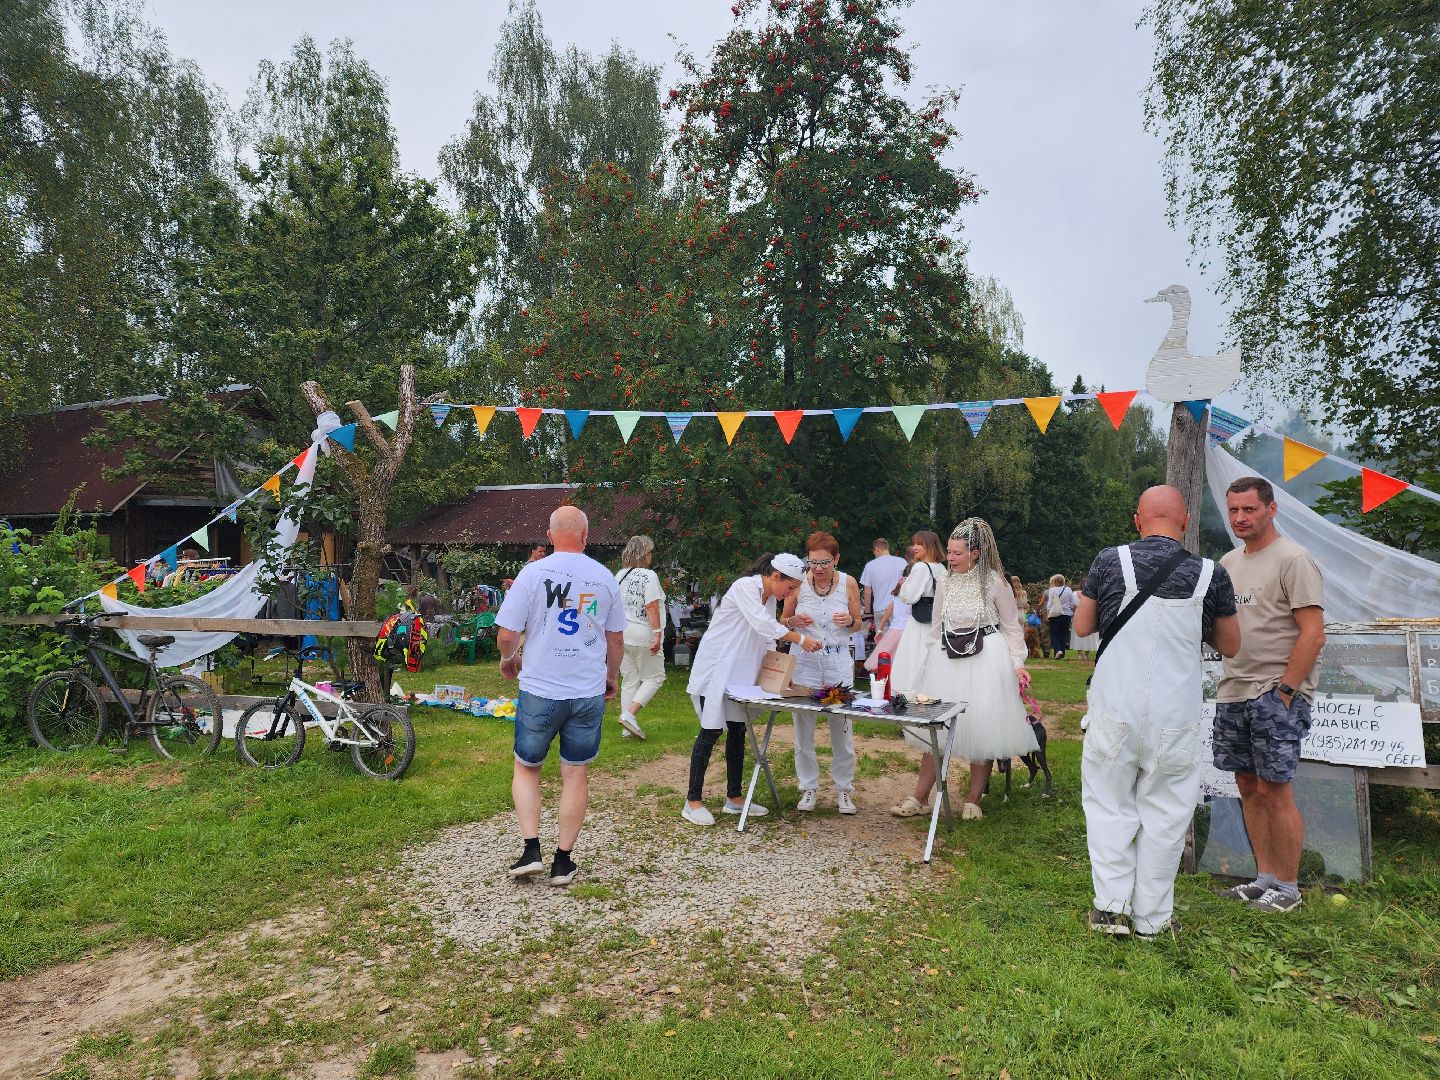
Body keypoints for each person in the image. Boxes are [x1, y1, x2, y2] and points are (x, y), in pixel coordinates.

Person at [1073, 486, 1240, 938]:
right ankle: (1153, 919)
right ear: (1185, 520)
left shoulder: (1109, 562)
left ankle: (1110, 910)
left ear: (1136, 520)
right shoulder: (1212, 574)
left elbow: (1083, 626)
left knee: (1108, 806)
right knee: (1166, 814)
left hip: (1115, 707)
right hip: (1176, 713)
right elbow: (1230, 645)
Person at [495, 506, 625, 887]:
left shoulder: (532, 574)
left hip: (540, 688)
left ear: (550, 536)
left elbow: (506, 633)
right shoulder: (604, 578)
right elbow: (615, 639)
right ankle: (563, 861)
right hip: (586, 690)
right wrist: (611, 677)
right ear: (586, 536)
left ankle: (530, 848)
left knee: (527, 766)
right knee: (575, 772)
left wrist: (508, 659)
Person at [1213, 476, 1325, 914]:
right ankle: (1263, 879)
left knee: (1276, 789)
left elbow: (1313, 634)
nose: (1240, 518)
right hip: (1232, 690)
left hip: (1275, 694)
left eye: (1249, 510)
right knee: (1247, 785)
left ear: (1271, 509)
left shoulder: (1294, 559)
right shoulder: (1227, 561)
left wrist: (1286, 692)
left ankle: (1289, 888)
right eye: (1234, 510)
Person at [897, 519, 1036, 820]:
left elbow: (1012, 627)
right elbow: (936, 627)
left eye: (957, 553)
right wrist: (929, 661)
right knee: (937, 728)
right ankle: (920, 797)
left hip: (987, 656)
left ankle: (973, 800)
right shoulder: (945, 581)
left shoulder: (994, 582)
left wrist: (1017, 665)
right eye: (949, 552)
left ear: (975, 553)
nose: (951, 558)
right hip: (948, 657)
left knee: (981, 725)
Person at [683, 553, 822, 825]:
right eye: (791, 587)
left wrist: (780, 673)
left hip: (740, 676)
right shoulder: (745, 587)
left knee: (738, 732)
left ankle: (734, 798)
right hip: (715, 671)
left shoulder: (769, 599)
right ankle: (692, 801)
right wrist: (800, 638)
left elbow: (765, 638)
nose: (790, 593)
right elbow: (764, 625)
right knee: (710, 732)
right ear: (775, 576)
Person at [780, 532, 863, 814]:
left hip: (838, 664)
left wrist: (850, 620)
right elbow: (782, 621)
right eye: (812, 562)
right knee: (803, 728)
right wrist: (794, 620)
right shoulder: (799, 584)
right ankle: (809, 788)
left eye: (824, 563)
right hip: (805, 663)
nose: (817, 569)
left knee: (841, 728)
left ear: (836, 559)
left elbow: (858, 625)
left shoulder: (849, 583)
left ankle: (843, 789)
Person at [614, 535, 666, 740]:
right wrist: (657, 634)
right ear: (644, 555)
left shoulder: (619, 575)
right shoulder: (648, 576)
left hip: (621, 632)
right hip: (643, 631)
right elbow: (651, 605)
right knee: (655, 677)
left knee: (630, 679)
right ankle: (629, 714)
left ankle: (627, 728)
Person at [887, 531, 946, 697]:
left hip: (919, 624)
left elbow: (908, 597)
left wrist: (905, 585)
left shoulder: (920, 567)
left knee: (913, 660)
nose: (915, 548)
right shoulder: (941, 568)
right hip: (936, 624)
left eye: (919, 544)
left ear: (928, 546)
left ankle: (909, 696)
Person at [860, 537, 907, 638]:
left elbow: (867, 591)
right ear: (887, 548)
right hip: (898, 607)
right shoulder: (902, 562)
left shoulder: (870, 566)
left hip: (880, 609)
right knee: (899, 641)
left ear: (877, 549)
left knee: (882, 643)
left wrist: (868, 612)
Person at [1044, 574, 1076, 658]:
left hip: (1055, 614)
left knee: (1054, 634)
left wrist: (1048, 614)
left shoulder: (1052, 590)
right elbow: (1073, 603)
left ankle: (1058, 650)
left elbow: (1050, 604)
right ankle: (1062, 653)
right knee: (1064, 634)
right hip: (1067, 614)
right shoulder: (1068, 589)